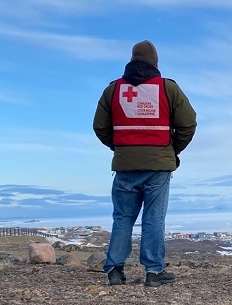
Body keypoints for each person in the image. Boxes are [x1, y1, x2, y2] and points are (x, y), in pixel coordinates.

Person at [93, 40, 197, 287]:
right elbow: (188, 123)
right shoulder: (168, 88)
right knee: (153, 219)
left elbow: (100, 127)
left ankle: (115, 271)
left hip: (125, 166)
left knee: (122, 218)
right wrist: (171, 151)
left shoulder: (113, 90)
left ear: (130, 62)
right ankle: (154, 271)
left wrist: (120, 148)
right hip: (158, 166)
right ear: (156, 63)